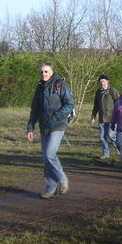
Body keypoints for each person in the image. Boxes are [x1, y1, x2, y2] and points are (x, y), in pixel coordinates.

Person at [26, 62, 74, 199]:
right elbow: (34, 109)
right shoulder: (39, 87)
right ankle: (50, 187)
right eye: (41, 72)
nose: (43, 74)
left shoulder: (60, 84)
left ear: (51, 72)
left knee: (49, 154)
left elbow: (70, 104)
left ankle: (62, 178)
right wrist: (30, 127)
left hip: (58, 124)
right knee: (46, 159)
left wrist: (57, 116)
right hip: (44, 125)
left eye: (46, 71)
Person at [91, 74, 119, 159]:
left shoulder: (112, 90)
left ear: (107, 81)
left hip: (112, 118)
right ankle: (106, 153)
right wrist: (93, 116)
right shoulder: (98, 92)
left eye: (103, 81)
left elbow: (118, 102)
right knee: (102, 137)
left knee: (111, 135)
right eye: (100, 81)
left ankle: (119, 148)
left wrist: (119, 115)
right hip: (102, 118)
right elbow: (95, 105)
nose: (102, 83)